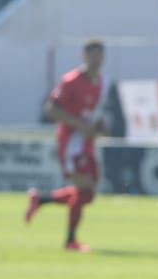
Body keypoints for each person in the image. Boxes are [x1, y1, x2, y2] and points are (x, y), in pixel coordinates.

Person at [23, 39, 107, 252]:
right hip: (71, 142)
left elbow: (91, 113)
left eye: (99, 55)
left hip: (86, 142)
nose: (96, 59)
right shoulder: (71, 81)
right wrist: (79, 125)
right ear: (83, 56)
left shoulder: (100, 82)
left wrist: (98, 127)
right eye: (92, 55)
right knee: (83, 188)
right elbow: (51, 109)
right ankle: (70, 241)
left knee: (88, 193)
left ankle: (40, 199)